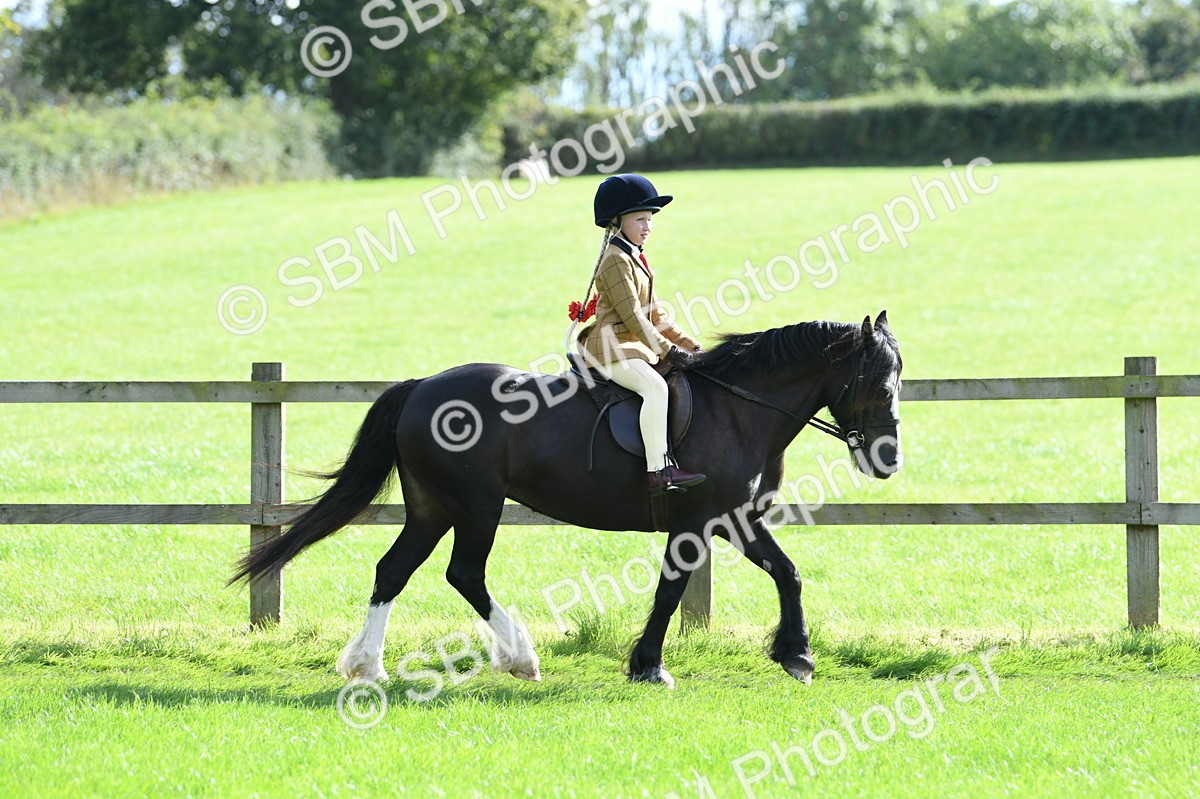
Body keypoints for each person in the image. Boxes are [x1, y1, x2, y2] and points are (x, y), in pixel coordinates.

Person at [572, 174, 706, 495]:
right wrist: (668, 352)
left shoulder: (636, 257)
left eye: (650, 220)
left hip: (632, 347)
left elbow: (656, 315)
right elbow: (634, 318)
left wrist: (691, 345)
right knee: (655, 388)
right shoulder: (615, 260)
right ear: (617, 222)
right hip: (611, 348)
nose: (648, 227)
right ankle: (658, 472)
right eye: (640, 220)